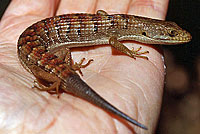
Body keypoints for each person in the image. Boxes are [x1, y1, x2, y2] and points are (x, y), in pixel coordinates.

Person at [0, 0, 168, 133]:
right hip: (31, 44)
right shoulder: (120, 29)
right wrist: (130, 53)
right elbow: (112, 40)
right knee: (54, 63)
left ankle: (62, 76)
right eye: (171, 35)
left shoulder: (123, 26)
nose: (174, 37)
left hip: (41, 39)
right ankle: (59, 80)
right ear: (148, 32)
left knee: (63, 52)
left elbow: (102, 17)